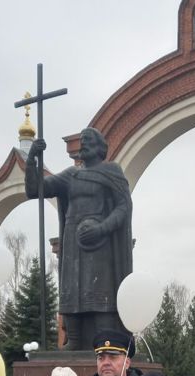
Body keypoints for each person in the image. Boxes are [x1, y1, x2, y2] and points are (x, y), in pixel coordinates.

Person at [26, 128, 133, 350]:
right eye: (81, 141)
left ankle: (105, 341)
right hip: (74, 241)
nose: (83, 144)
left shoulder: (111, 171)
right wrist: (32, 159)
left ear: (99, 146)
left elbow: (124, 206)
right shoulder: (71, 175)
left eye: (88, 141)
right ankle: (73, 340)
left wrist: (103, 228)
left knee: (101, 289)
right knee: (71, 289)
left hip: (100, 242)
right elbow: (36, 189)